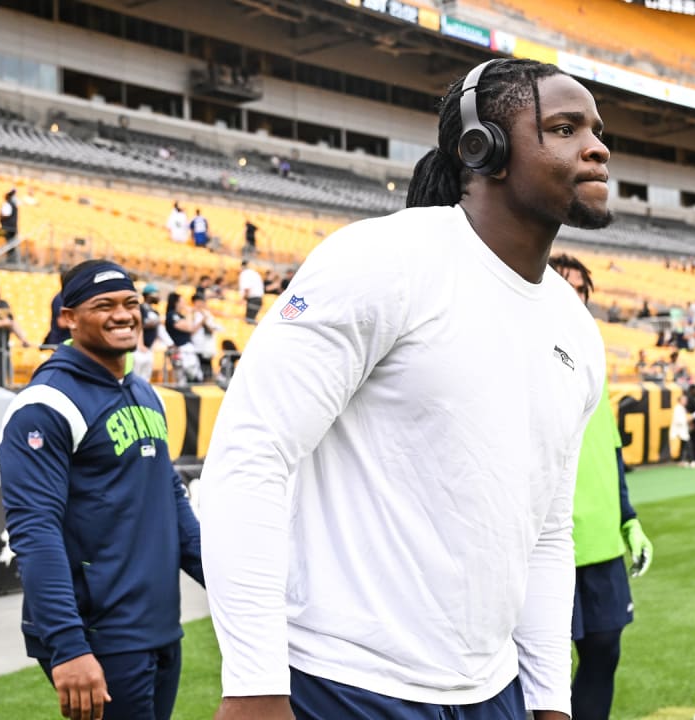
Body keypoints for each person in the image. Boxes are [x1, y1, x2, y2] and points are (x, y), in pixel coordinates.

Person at [200, 57, 611, 720]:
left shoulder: (574, 326)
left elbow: (547, 531)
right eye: (565, 128)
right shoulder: (383, 260)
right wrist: (253, 685)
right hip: (343, 683)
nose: (598, 146)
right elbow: (251, 457)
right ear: (484, 148)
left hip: (494, 690)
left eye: (594, 129)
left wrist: (548, 700)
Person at [0, 259, 204, 720]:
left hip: (159, 626)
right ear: (68, 317)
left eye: (132, 303)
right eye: (104, 304)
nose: (123, 314)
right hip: (99, 635)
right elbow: (35, 530)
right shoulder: (45, 404)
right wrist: (68, 645)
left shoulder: (143, 392)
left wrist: (225, 582)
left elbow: (170, 498)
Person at [549, 252, 653, 720]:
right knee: (536, 669)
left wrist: (629, 520)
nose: (573, 299)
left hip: (601, 542)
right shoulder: (517, 355)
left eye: (581, 293)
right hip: (544, 545)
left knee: (605, 650)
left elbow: (609, 451)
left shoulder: (593, 360)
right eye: (563, 286)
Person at [134, 283, 164, 383]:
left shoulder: (155, 312)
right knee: (136, 376)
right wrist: (140, 344)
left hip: (149, 348)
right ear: (148, 295)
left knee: (146, 378)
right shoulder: (140, 308)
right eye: (155, 294)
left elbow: (159, 330)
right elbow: (138, 325)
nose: (158, 296)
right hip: (138, 348)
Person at [238, 260, 264, 324]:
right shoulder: (255, 273)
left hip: (253, 299)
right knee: (251, 320)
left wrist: (243, 299)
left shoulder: (245, 273)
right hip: (258, 299)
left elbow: (247, 288)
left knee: (249, 321)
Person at [0, 188, 19, 262]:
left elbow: (5, 214)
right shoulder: (13, 204)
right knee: (10, 244)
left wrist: (0, 216)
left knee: (8, 243)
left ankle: (9, 260)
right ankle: (10, 260)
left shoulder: (7, 204)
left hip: (6, 228)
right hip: (12, 228)